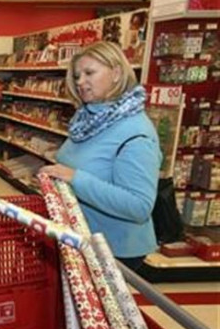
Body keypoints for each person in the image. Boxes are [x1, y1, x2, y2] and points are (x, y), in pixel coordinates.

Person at [40, 41, 160, 272]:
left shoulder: (135, 133)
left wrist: (75, 178)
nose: (80, 81)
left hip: (114, 250)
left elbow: (138, 206)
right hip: (81, 239)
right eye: (77, 75)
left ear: (116, 73)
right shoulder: (87, 120)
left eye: (89, 73)